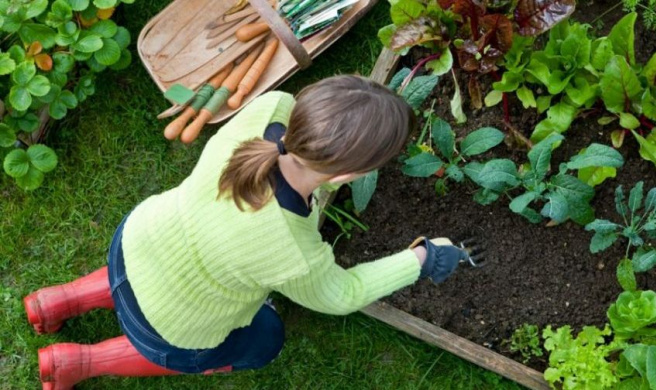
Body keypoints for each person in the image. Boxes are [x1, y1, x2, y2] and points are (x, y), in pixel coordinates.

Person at [24, 75, 470, 390]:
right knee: (265, 339)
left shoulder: (271, 107)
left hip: (137, 239)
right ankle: (77, 363)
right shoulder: (291, 248)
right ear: (350, 174)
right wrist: (421, 259)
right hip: (169, 324)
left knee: (148, 272)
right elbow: (342, 294)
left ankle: (56, 301)